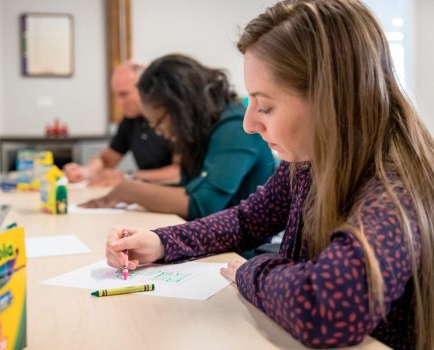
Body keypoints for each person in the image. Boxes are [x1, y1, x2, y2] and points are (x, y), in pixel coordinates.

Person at [103, 1, 434, 349]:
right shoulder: (308, 162)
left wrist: (253, 271)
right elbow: (247, 221)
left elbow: (327, 309)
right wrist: (160, 242)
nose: (249, 124)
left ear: (329, 98)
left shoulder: (396, 186)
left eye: (265, 107)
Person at [80, 54, 276, 219]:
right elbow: (188, 186)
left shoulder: (235, 128)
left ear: (179, 108)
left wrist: (130, 190)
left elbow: (204, 205)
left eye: (157, 122)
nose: (158, 131)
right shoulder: (202, 128)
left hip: (244, 254)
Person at [63, 62, 179, 186]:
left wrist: (127, 176)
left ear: (145, 89)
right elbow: (107, 160)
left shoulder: (173, 118)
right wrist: (84, 171)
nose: (118, 103)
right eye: (116, 95)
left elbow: (179, 173)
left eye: (124, 94)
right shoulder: (130, 120)